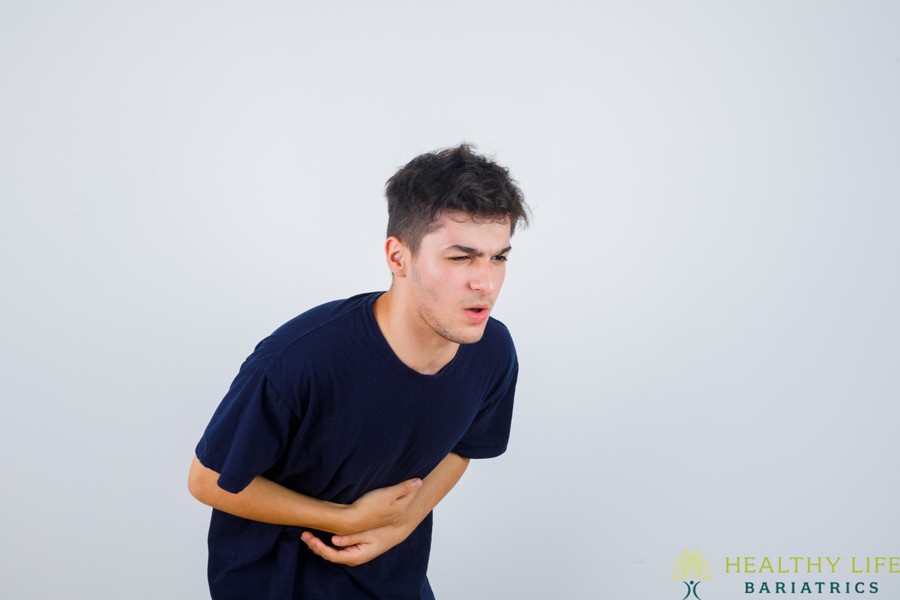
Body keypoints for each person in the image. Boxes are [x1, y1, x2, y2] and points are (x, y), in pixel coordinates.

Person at [188, 144, 530, 599]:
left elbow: (464, 446)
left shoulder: (492, 351)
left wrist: (403, 521)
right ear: (398, 257)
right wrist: (343, 519)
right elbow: (207, 479)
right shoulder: (302, 360)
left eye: (499, 257)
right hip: (277, 582)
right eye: (460, 257)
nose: (485, 282)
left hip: (393, 578)